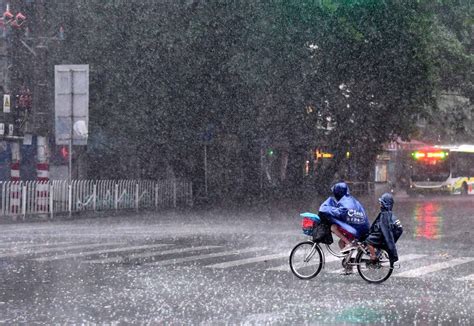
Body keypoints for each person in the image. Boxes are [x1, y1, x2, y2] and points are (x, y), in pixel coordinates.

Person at [318, 182, 370, 254]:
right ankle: (349, 261)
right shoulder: (351, 200)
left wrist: (327, 210)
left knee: (333, 227)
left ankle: (349, 243)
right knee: (341, 243)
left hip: (355, 230)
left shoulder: (345, 202)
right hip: (360, 228)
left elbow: (340, 212)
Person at [365, 193, 403, 264]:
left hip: (382, 236)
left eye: (381, 203)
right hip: (383, 235)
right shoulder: (388, 213)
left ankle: (373, 257)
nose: (380, 205)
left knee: (368, 241)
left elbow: (386, 231)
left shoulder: (385, 215)